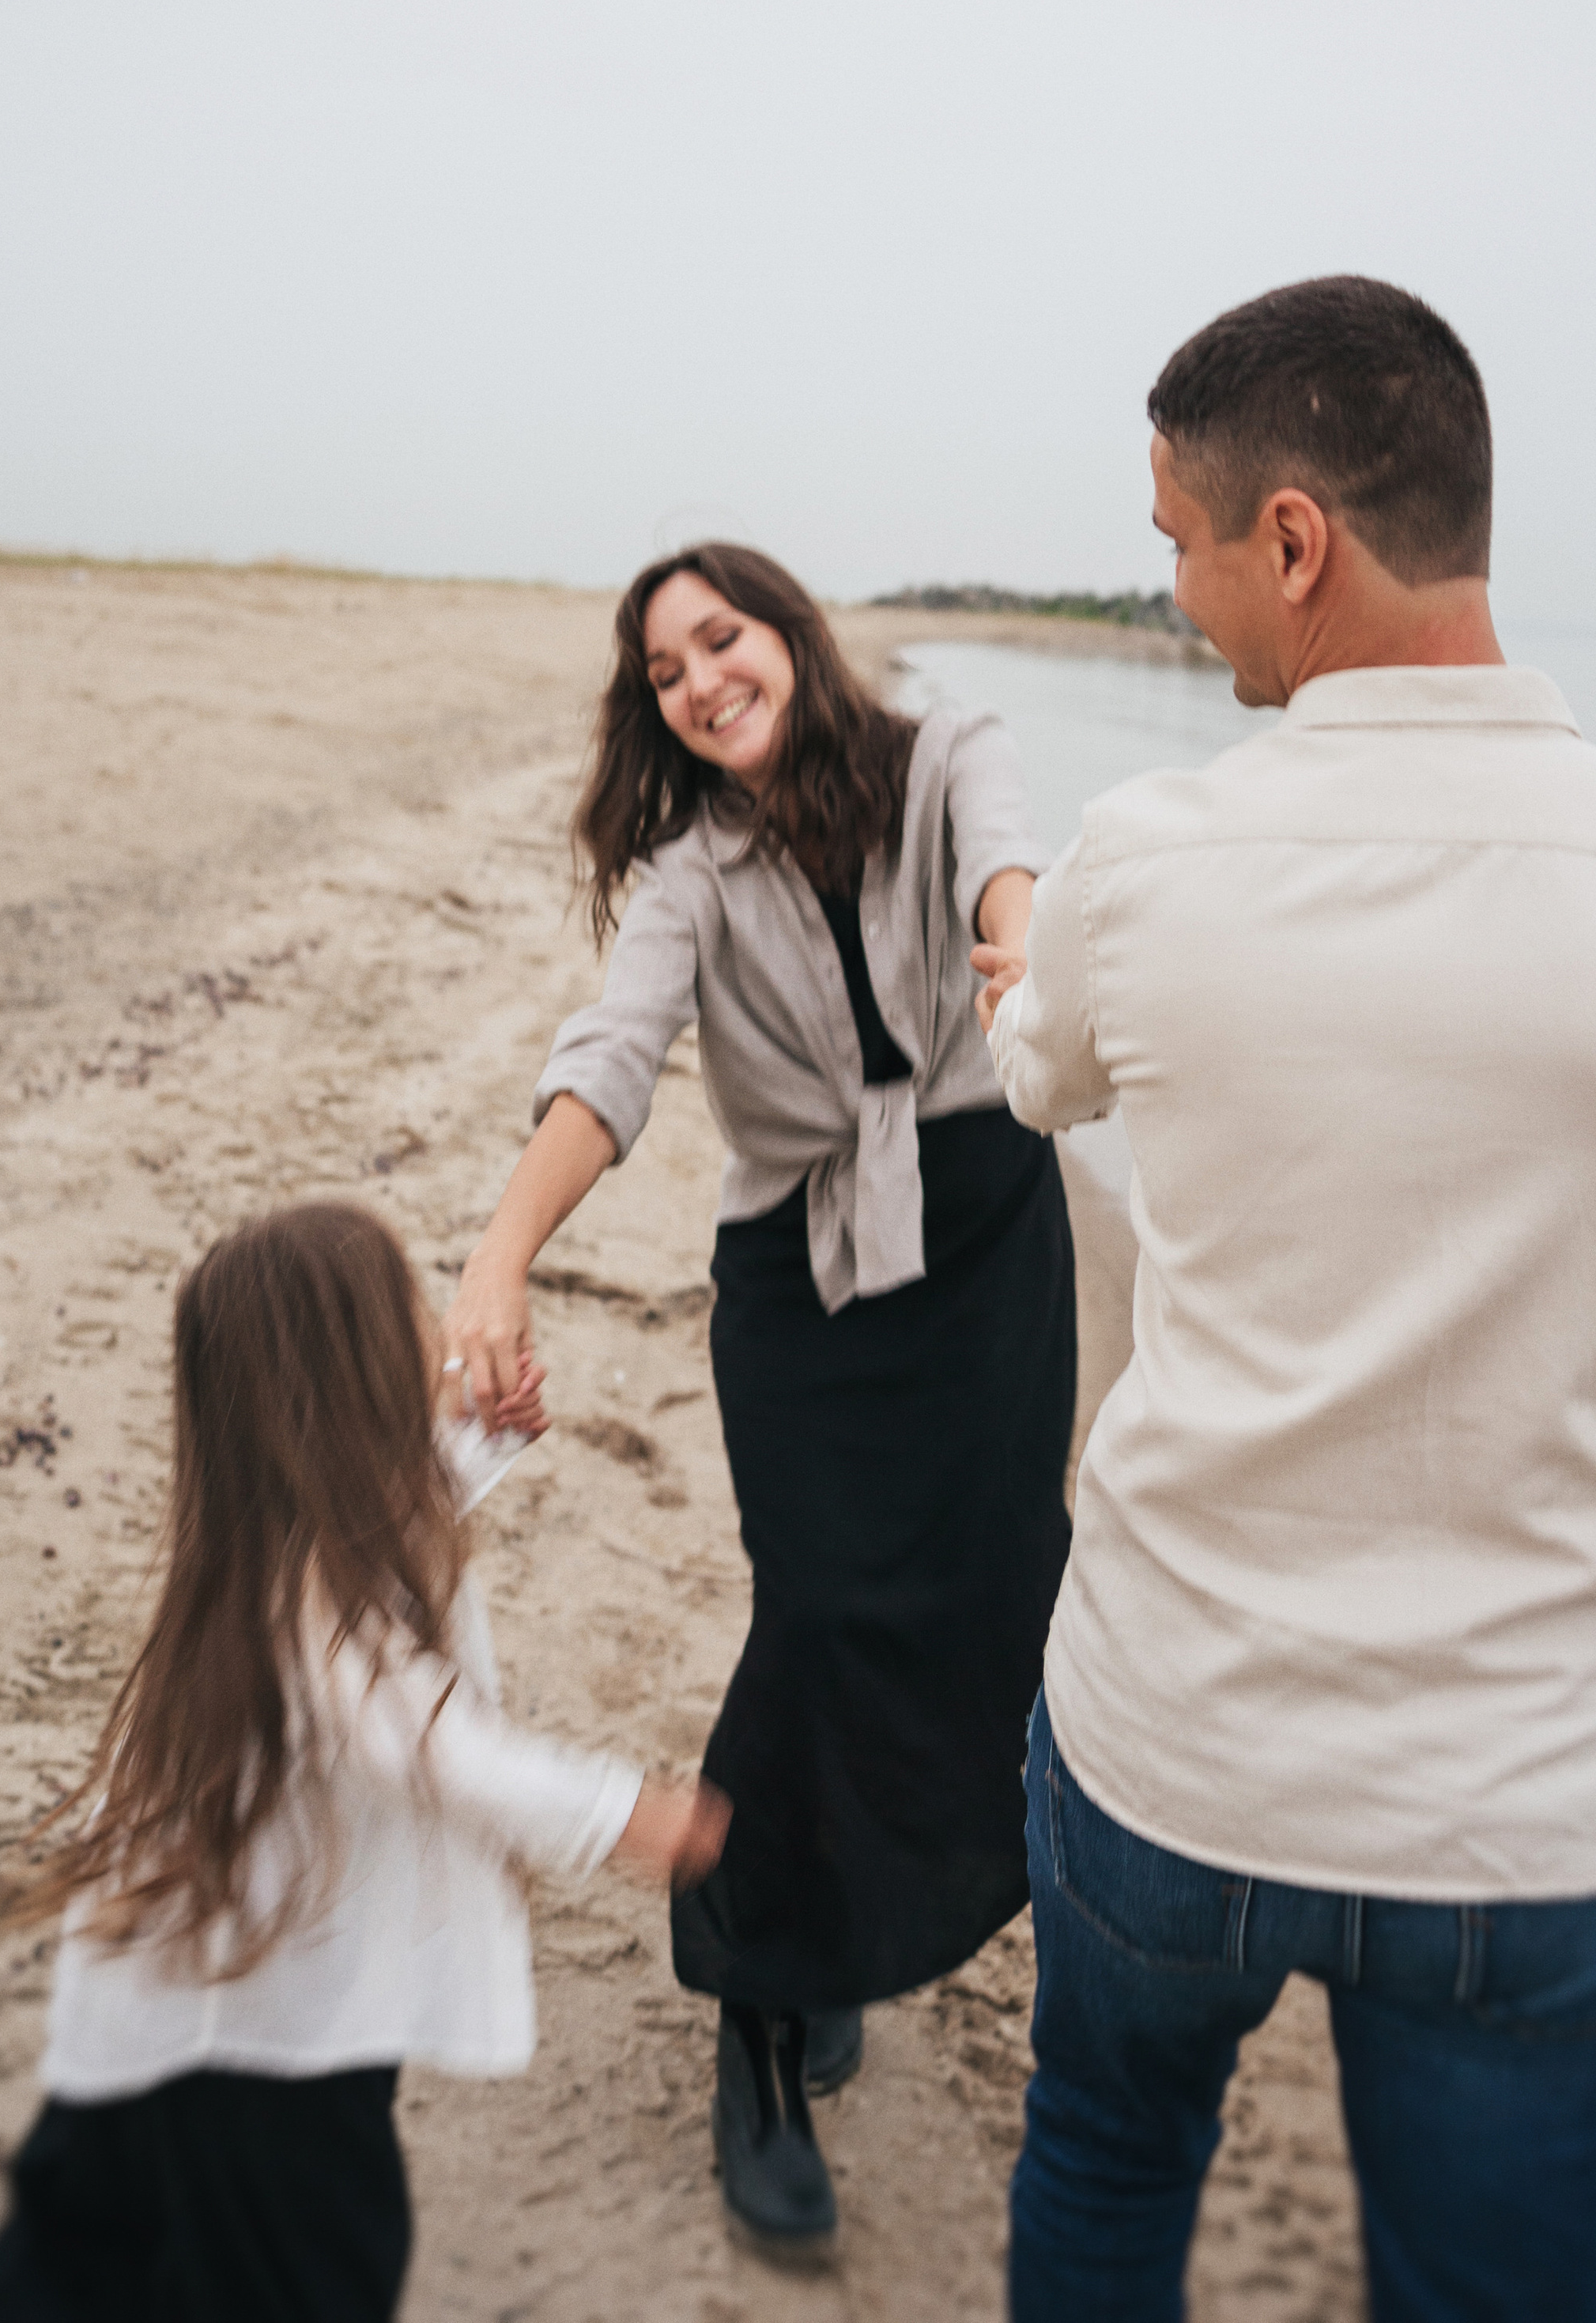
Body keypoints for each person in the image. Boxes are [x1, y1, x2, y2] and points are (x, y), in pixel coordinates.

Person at [978, 278, 1596, 2323]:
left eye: (1178, 548)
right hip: (1518, 1803)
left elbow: (1040, 1070)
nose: (1182, 597)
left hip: (1171, 1745)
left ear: (1291, 541)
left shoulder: (1149, 857)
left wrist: (1018, 956)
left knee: (1109, 2165)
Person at [447, 542, 1077, 2244]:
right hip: (802, 1284)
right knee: (818, 1626)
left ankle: (840, 1937)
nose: (698, 680)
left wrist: (1019, 954)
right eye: (663, 670)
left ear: (787, 632)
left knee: (987, 1611)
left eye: (717, 638)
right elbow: (610, 1054)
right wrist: (500, 1255)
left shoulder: (949, 751)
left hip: (987, 1250)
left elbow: (1005, 869)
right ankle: (755, 2023)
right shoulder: (689, 872)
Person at [0, 1202, 724, 2323]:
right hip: (248, 2050)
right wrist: (629, 1819)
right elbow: (452, 1754)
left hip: (163, 1999)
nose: (431, 1327)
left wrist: (482, 1439)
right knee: (316, 2267)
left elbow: (393, 1512)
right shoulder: (319, 1619)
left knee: (83, 2238)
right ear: (352, 1375)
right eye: (409, 1309)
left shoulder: (277, 1533)